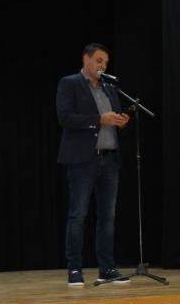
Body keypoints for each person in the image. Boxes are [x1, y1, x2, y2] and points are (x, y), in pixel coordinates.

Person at [56, 43, 130, 287]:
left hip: (109, 160)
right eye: (99, 61)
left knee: (108, 217)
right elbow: (65, 118)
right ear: (86, 59)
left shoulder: (109, 88)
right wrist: (99, 119)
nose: (103, 66)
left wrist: (121, 121)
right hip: (82, 161)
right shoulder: (70, 83)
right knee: (78, 215)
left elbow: (114, 118)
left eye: (106, 62)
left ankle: (106, 269)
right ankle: (74, 269)